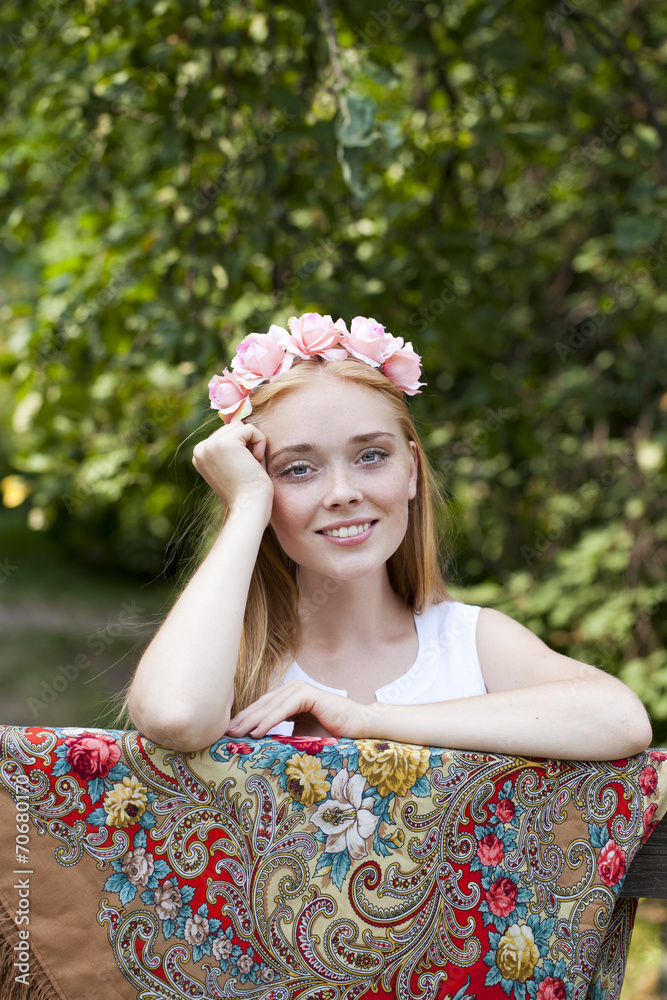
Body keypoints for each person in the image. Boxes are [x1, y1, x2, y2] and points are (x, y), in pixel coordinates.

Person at [125, 313, 653, 759]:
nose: (342, 493)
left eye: (371, 456)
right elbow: (176, 716)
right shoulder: (230, 660)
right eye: (298, 469)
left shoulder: (469, 644)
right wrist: (244, 509)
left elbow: (620, 719)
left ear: (412, 472)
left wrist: (368, 719)